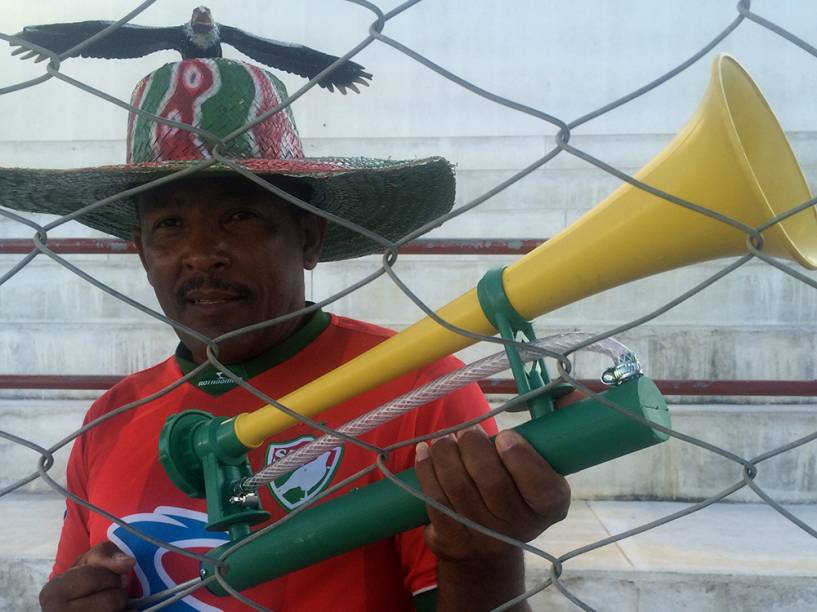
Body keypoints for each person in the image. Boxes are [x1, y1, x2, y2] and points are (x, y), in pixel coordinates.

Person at [0, 58, 569, 611]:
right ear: (142, 253)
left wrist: (484, 558)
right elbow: (84, 575)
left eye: (240, 216)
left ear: (310, 237)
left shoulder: (416, 386)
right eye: (169, 225)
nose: (200, 255)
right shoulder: (111, 418)